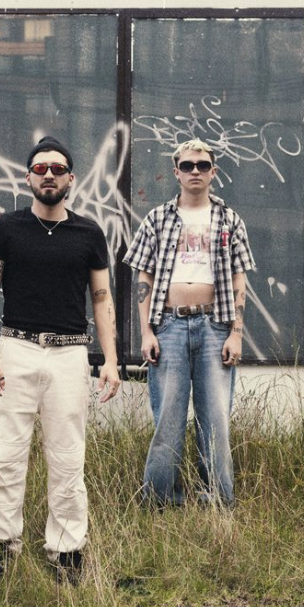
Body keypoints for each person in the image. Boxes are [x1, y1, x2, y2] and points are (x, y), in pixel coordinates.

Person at [0, 136, 120, 583]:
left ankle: (66, 551)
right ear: (28, 178)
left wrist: (111, 360)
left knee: (68, 457)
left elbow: (102, 298)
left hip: (69, 354)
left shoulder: (89, 233)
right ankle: (0, 545)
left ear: (71, 179)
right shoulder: (5, 228)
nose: (49, 175)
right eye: (40, 169)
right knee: (6, 455)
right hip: (15, 350)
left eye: (57, 169)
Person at [123, 139, 255, 509]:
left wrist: (236, 334)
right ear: (176, 172)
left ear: (213, 172)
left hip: (215, 327)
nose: (194, 171)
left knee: (216, 420)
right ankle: (159, 502)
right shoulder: (157, 219)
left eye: (202, 165)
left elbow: (239, 279)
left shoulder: (229, 219)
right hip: (169, 326)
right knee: (168, 419)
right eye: (187, 165)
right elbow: (144, 276)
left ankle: (218, 503)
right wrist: (147, 331)